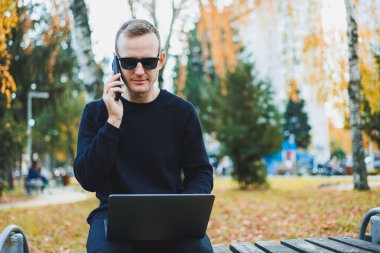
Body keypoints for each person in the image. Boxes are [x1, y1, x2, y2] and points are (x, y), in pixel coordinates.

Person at [74, 19, 214, 253]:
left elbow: (200, 172)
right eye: (129, 62)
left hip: (173, 215)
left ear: (161, 59)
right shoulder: (96, 112)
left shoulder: (183, 112)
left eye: (148, 62)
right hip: (111, 217)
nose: (139, 71)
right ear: (116, 62)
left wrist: (185, 207)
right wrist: (113, 122)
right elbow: (88, 179)